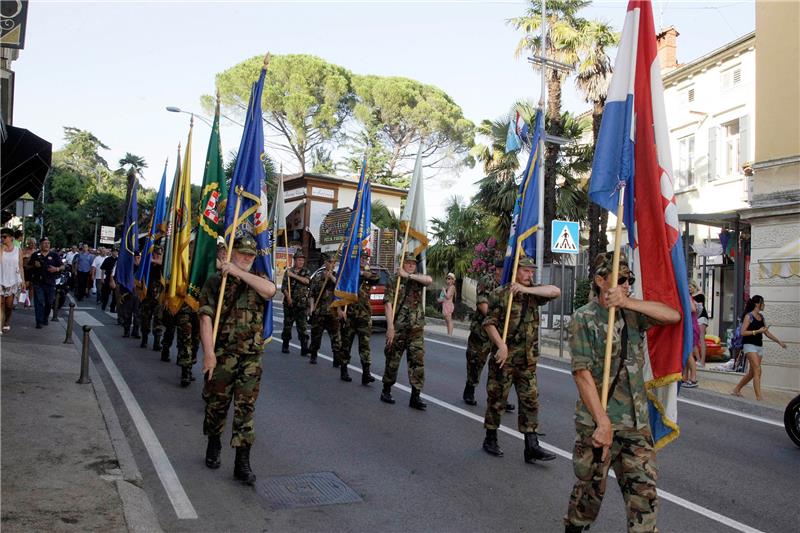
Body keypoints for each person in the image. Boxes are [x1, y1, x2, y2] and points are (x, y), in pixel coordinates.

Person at [563, 254, 681, 533]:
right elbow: (582, 375)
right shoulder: (584, 318)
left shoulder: (632, 314)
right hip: (598, 422)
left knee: (645, 497)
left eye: (629, 280)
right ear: (600, 281)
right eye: (619, 280)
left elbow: (673, 316)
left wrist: (628, 302)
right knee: (590, 493)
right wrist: (602, 423)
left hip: (635, 424)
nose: (626, 285)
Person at [200, 234, 276, 485]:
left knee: (246, 409)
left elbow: (271, 291)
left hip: (251, 358)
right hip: (223, 355)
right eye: (242, 254)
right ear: (232, 253)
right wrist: (209, 354)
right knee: (217, 405)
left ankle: (242, 463)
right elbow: (205, 318)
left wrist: (240, 273)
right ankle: (214, 443)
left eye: (250, 255)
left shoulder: (258, 280)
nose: (246, 258)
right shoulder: (215, 281)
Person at [480, 255, 559, 463]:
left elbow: (555, 291)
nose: (529, 274)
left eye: (532, 271)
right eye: (525, 270)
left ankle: (531, 445)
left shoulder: (534, 293)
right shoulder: (500, 294)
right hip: (504, 359)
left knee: (530, 401)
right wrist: (501, 346)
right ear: (515, 271)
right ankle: (490, 437)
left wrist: (527, 290)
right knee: (497, 400)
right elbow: (489, 323)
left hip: (527, 359)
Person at [380, 252, 432, 409]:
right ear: (402, 263)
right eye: (408, 263)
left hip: (416, 330)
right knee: (392, 361)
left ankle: (415, 397)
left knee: (418, 363)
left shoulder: (417, 279)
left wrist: (410, 276)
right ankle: (386, 390)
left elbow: (429, 280)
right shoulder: (393, 280)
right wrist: (390, 327)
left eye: (413, 263)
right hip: (398, 329)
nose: (411, 265)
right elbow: (388, 304)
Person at [463, 259, 515, 413]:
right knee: (476, 362)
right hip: (482, 332)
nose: (505, 272)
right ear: (497, 270)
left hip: (501, 333)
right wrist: (496, 320)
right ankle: (470, 389)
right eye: (503, 269)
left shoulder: (509, 284)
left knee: (500, 365)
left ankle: (500, 398)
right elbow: (482, 304)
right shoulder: (487, 281)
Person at [731, 295, 787, 401]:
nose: (764, 305)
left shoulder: (761, 317)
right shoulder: (749, 316)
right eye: (763, 303)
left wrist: (779, 341)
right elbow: (743, 332)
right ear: (757, 304)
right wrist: (757, 331)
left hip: (759, 347)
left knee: (753, 372)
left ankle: (736, 389)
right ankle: (759, 397)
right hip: (749, 346)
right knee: (758, 370)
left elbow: (766, 332)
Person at [337, 249, 380, 383]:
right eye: (362, 258)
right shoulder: (348, 274)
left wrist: (361, 273)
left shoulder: (368, 274)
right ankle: (344, 369)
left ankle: (366, 373)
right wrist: (339, 309)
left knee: (365, 344)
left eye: (366, 258)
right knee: (346, 343)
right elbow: (339, 292)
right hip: (349, 313)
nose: (364, 260)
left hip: (364, 315)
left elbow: (376, 278)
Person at [309, 252, 341, 366]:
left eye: (333, 262)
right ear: (325, 263)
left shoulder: (337, 275)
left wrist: (331, 277)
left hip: (332, 312)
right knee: (316, 335)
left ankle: (337, 358)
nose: (332, 264)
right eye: (330, 262)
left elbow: (340, 288)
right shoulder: (317, 276)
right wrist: (311, 309)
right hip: (319, 311)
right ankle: (313, 354)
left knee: (336, 337)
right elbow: (312, 294)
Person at [29, 237, 65, 328]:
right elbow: (28, 266)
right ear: (40, 245)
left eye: (48, 243)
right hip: (38, 282)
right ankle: (39, 321)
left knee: (49, 302)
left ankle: (45, 317)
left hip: (50, 283)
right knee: (39, 302)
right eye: (45, 243)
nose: (47, 245)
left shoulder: (54, 255)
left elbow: (63, 266)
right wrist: (34, 265)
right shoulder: (35, 255)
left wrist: (56, 269)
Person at [280, 250, 311, 356]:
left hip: (301, 304)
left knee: (302, 327)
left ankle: (304, 347)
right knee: (287, 326)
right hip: (289, 304)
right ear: (294, 260)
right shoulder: (288, 271)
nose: (301, 262)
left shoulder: (306, 271)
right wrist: (288, 297)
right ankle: (285, 345)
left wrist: (293, 276)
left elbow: (307, 281)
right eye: (299, 260)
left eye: (302, 260)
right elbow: (284, 287)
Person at [139, 246, 164, 351]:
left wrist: (155, 260)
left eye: (159, 254)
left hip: (159, 297)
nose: (157, 256)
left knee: (158, 320)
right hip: (147, 296)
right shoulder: (147, 265)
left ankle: (156, 343)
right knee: (145, 319)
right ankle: (144, 339)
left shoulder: (163, 265)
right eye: (155, 254)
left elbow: (164, 265)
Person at [0, 228, 25, 332]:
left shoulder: (17, 250)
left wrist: (23, 281)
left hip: (12, 280)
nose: (2, 238)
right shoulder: (0, 248)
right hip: (1, 279)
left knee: (9, 305)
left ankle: (7, 320)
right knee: (1, 304)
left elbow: (20, 266)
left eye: (4, 237)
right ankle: (0, 325)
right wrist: (2, 248)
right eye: (1, 237)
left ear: (11, 238)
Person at [100, 248, 118, 312]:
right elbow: (103, 269)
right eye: (114, 252)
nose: (115, 253)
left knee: (115, 294)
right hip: (107, 277)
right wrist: (102, 278)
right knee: (106, 293)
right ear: (112, 252)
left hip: (116, 278)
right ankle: (104, 306)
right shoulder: (107, 259)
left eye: (116, 252)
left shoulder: (119, 260)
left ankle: (112, 308)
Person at [694, 292, 709, 367]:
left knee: (701, 338)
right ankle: (698, 360)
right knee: (694, 340)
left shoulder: (699, 295)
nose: (689, 288)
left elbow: (699, 308)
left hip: (701, 318)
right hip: (695, 319)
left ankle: (702, 361)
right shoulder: (688, 295)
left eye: (691, 286)